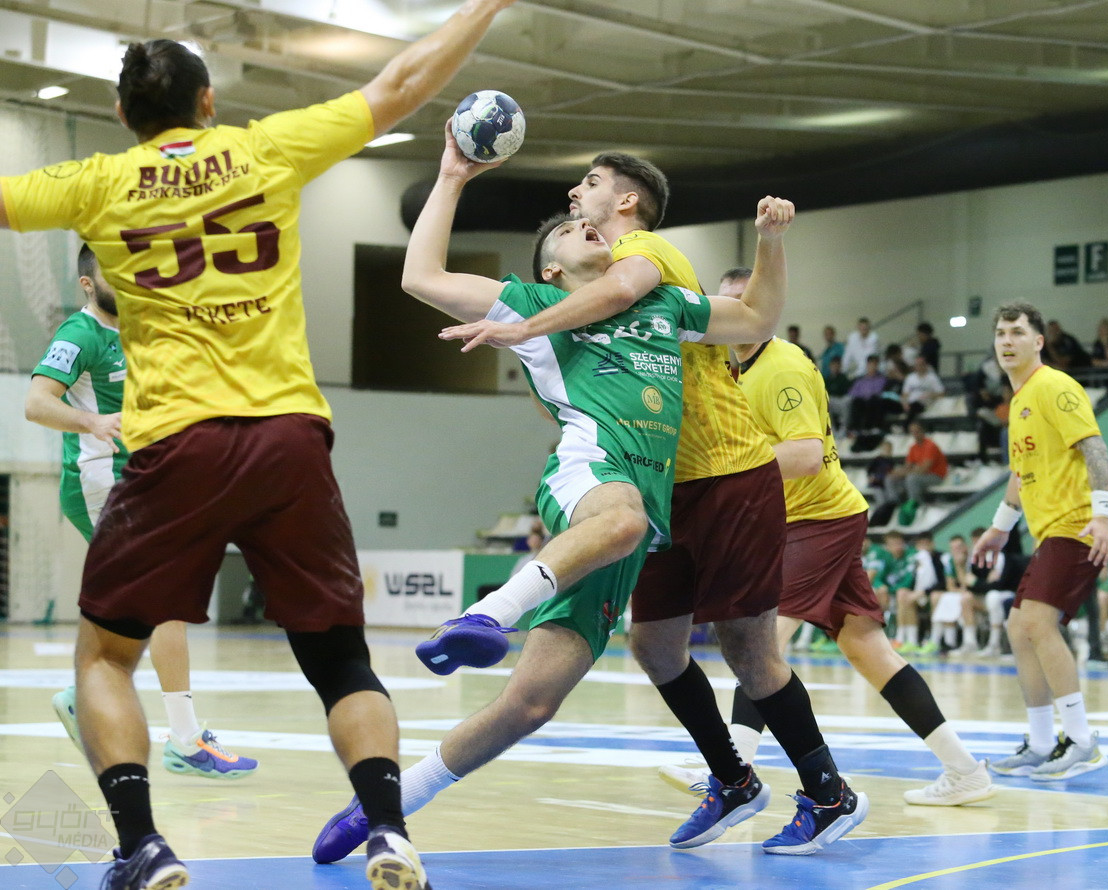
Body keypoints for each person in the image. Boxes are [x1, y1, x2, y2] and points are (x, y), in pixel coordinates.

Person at [0, 5, 518, 888]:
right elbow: (400, 84)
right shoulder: (264, 149)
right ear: (208, 102)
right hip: (288, 439)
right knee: (341, 660)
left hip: (174, 445)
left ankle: (143, 847)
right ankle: (389, 833)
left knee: (105, 658)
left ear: (123, 115)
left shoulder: (95, 183)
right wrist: (487, 6)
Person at [311, 141, 851, 862]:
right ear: (550, 270)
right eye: (568, 229)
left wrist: (770, 243)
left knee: (534, 700)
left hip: (655, 510)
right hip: (592, 477)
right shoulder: (534, 302)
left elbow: (754, 318)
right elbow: (421, 276)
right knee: (624, 522)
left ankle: (392, 801)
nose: (580, 216)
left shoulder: (661, 299)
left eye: (588, 205)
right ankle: (487, 615)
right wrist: (450, 177)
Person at [660, 317, 990, 806]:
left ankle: (731, 768)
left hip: (820, 519)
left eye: (742, 306)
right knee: (867, 648)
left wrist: (728, 471)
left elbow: (806, 455)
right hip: (808, 519)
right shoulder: (743, 372)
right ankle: (964, 771)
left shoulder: (780, 366)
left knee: (760, 642)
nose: (729, 320)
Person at [25, 245, 257, 779]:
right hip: (100, 481)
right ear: (88, 284)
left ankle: (85, 696)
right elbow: (36, 404)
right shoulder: (79, 334)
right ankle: (186, 741)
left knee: (149, 601)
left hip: (144, 481)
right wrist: (91, 423)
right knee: (168, 599)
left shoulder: (147, 327)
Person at [974, 301, 1108, 782]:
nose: (1007, 341)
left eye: (1017, 332)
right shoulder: (1018, 402)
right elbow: (1021, 473)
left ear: (1038, 342)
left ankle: (1081, 742)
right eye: (1001, 333)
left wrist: (1103, 516)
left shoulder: (1054, 385)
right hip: (1052, 528)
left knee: (1036, 622)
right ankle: (1040, 743)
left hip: (1080, 524)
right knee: (1018, 628)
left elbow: (1094, 447)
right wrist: (1000, 527)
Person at [883, 421, 948, 509]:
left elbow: (924, 469)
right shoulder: (913, 447)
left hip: (935, 476)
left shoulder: (930, 446)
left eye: (917, 431)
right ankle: (894, 505)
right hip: (920, 475)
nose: (915, 434)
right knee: (890, 479)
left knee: (912, 479)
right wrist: (896, 473)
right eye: (912, 432)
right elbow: (907, 466)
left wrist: (904, 473)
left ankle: (917, 506)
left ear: (922, 431)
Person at [900, 355, 945, 423]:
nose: (919, 367)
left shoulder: (932, 378)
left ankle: (905, 426)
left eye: (921, 364)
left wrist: (930, 395)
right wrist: (905, 404)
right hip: (910, 404)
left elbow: (941, 393)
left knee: (915, 406)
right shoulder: (910, 377)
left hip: (924, 403)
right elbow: (905, 394)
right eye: (917, 365)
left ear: (925, 365)